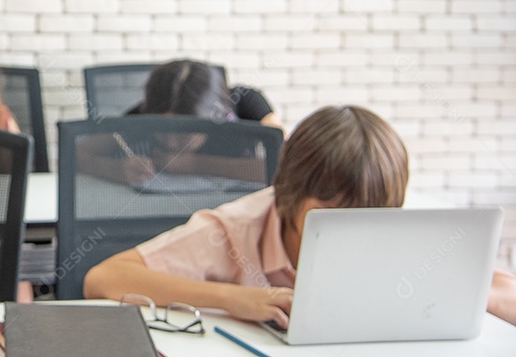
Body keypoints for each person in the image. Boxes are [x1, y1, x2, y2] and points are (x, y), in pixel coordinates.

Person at [83, 105, 516, 328]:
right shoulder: (236, 229)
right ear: (289, 197)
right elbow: (104, 278)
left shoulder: (400, 229)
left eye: (370, 219)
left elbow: (500, 291)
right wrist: (238, 299)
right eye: (330, 218)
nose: (353, 235)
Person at [129, 59, 282, 129]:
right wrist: (121, 168)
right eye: (165, 129)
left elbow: (284, 155)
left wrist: (191, 164)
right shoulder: (144, 114)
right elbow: (105, 148)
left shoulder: (245, 101)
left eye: (184, 132)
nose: (171, 143)